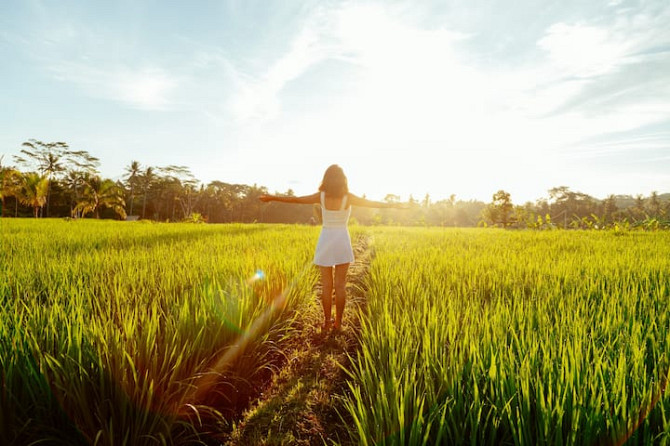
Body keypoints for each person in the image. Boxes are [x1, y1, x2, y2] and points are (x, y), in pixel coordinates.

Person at [259, 164, 406, 332]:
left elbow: (296, 199)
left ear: (326, 179)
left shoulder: (320, 196)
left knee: (326, 286)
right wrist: (395, 205)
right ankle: (338, 323)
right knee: (341, 285)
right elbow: (374, 204)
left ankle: (327, 322)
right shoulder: (348, 197)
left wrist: (272, 197)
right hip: (342, 240)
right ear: (343, 180)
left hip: (326, 240)